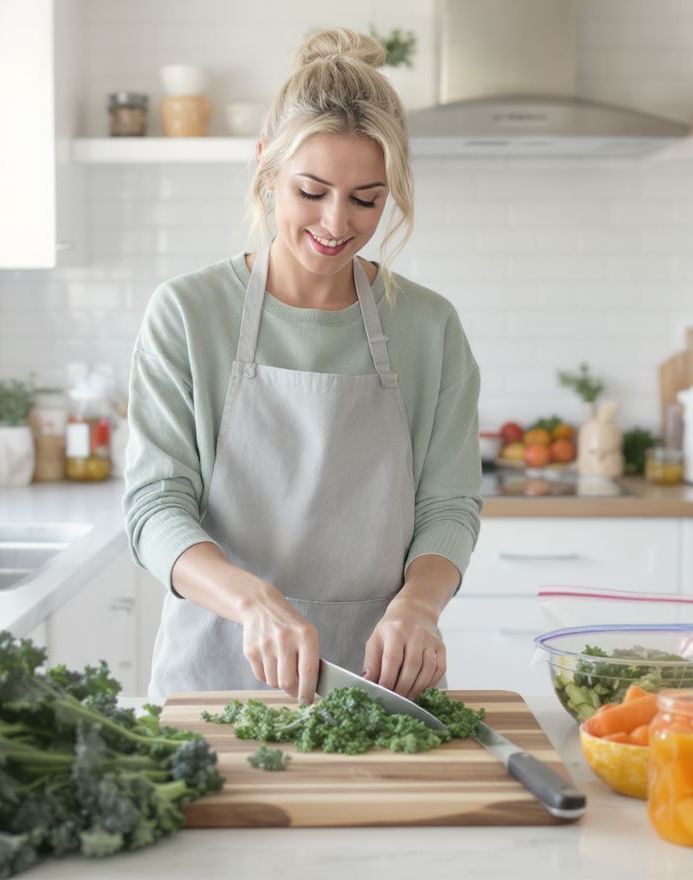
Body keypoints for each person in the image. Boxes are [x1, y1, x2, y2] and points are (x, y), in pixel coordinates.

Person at [124, 28, 482, 706]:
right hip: (216, 679)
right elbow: (154, 508)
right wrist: (253, 599)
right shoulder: (187, 314)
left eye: (366, 199)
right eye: (311, 191)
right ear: (265, 167)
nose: (335, 223)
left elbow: (448, 505)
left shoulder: (428, 328)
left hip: (379, 690)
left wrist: (419, 607)